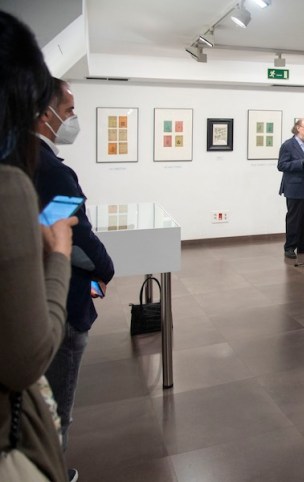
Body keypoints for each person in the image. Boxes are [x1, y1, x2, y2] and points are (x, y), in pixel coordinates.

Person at [0, 10, 77, 482]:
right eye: (66, 111)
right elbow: (26, 357)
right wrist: (62, 256)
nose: (70, 120)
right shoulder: (15, 182)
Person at [35, 78, 115, 463]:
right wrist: (105, 268)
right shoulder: (51, 171)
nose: (72, 119)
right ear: (44, 114)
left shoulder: (22, 158)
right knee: (56, 407)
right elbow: (70, 235)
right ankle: (53, 467)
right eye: (68, 111)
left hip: (39, 294)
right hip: (62, 299)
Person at [277, 118, 304, 259]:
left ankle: (303, 245)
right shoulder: (288, 145)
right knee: (294, 219)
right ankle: (289, 247)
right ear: (298, 128)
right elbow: (281, 165)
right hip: (295, 188)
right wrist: (301, 163)